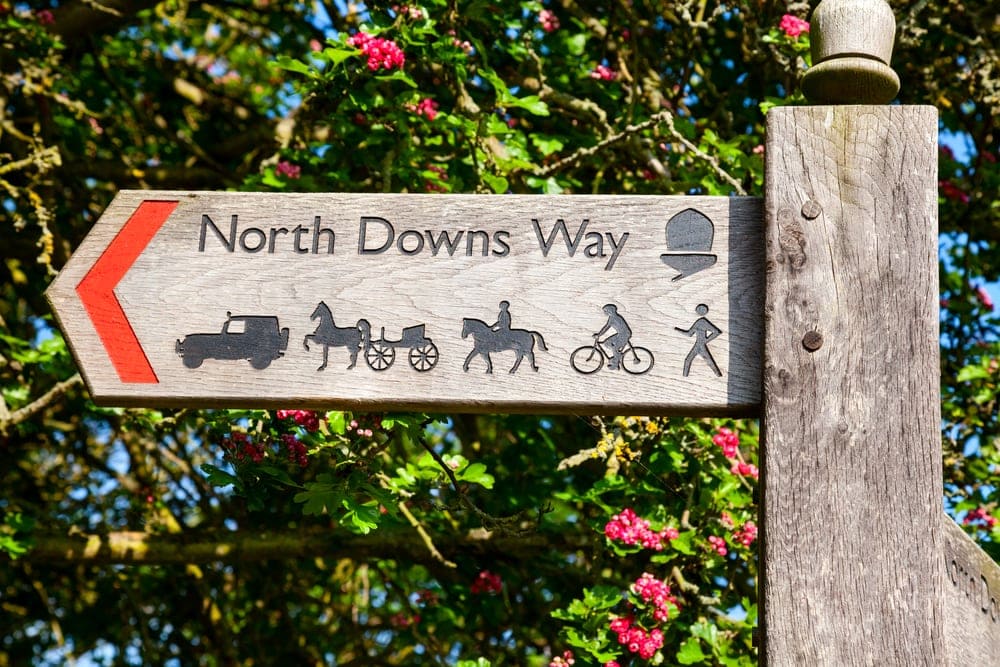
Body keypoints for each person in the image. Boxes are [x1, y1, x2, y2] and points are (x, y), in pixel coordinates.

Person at [675, 303, 722, 376]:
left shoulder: (703, 322)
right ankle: (718, 375)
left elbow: (716, 332)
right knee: (689, 360)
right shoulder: (699, 322)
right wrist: (678, 330)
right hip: (699, 344)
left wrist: (706, 340)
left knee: (692, 360)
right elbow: (689, 334)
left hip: (700, 345)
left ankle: (718, 375)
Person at [595, 303, 632, 370]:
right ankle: (616, 355)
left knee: (612, 346)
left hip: (624, 334)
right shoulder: (613, 317)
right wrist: (599, 334)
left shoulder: (613, 318)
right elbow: (606, 327)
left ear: (610, 311)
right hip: (622, 334)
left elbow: (606, 328)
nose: (604, 313)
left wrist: (599, 335)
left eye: (605, 311)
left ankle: (615, 361)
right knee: (606, 343)